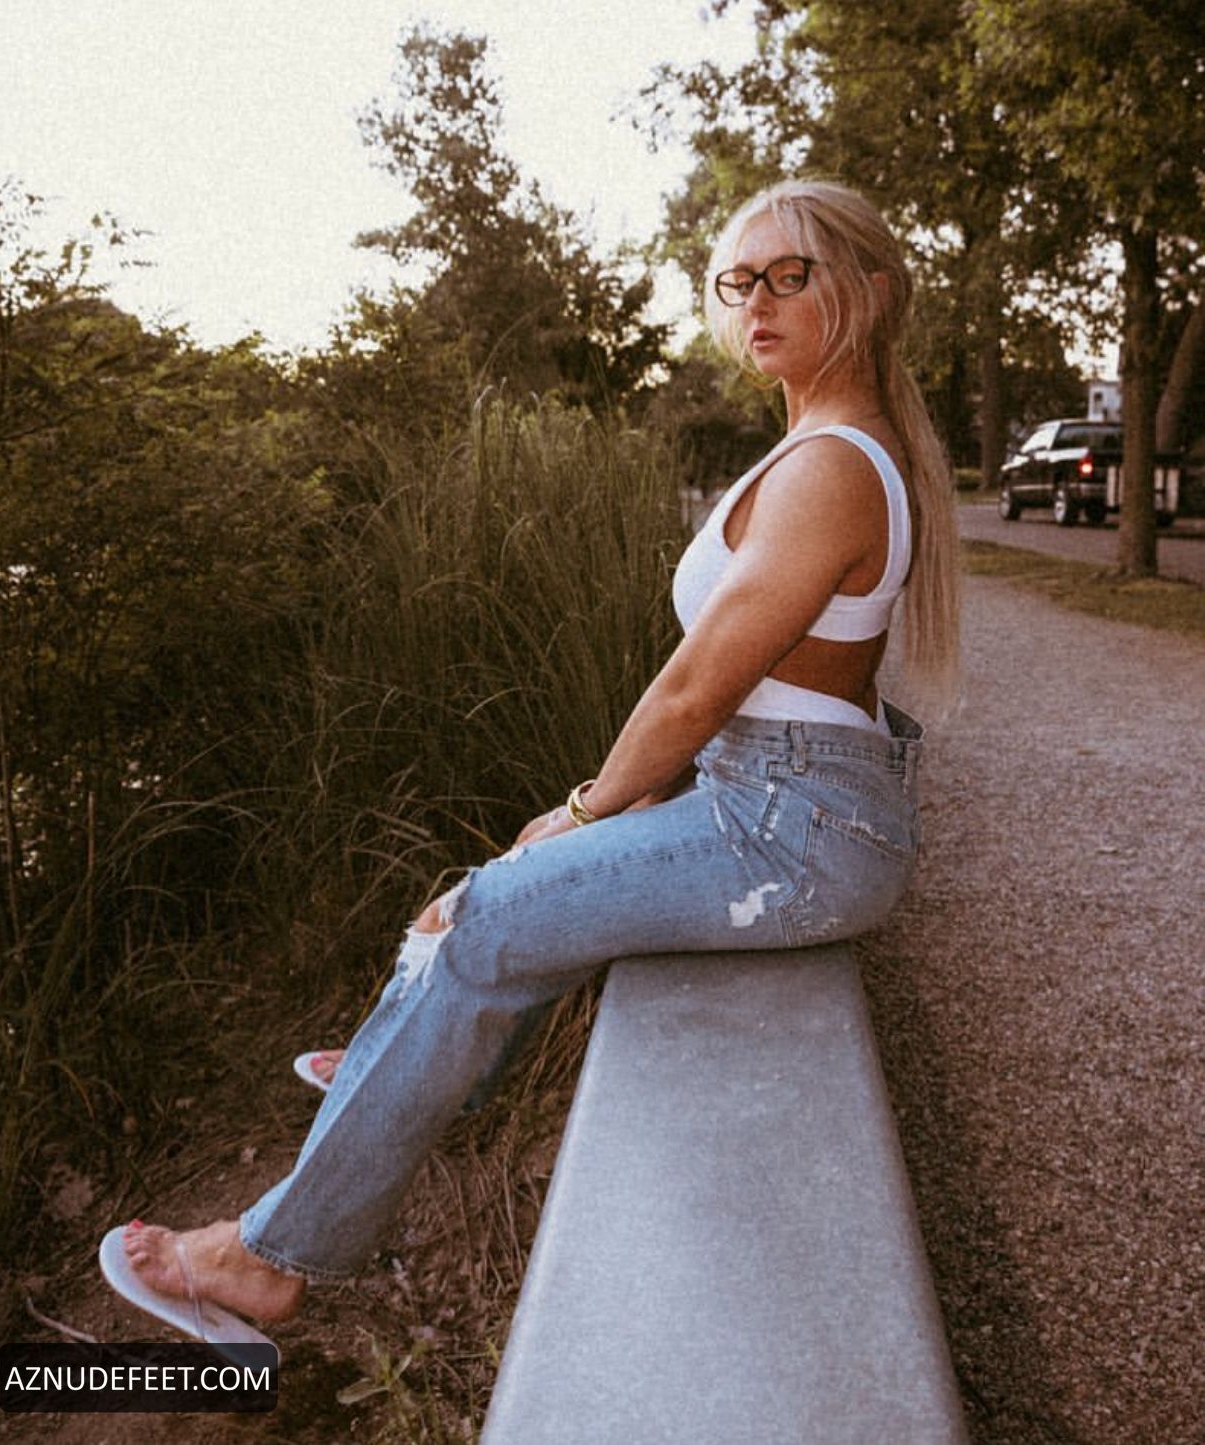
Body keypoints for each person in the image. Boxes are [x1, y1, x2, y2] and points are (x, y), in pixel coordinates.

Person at [101, 178, 960, 1338]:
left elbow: (698, 686)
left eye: (790, 275)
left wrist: (589, 805)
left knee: (491, 910)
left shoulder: (832, 468)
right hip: (774, 803)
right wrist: (619, 807)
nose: (755, 301)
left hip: (793, 831)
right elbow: (754, 694)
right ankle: (407, 1053)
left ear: (873, 292)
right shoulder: (818, 449)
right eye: (738, 280)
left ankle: (272, 1256)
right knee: (476, 905)